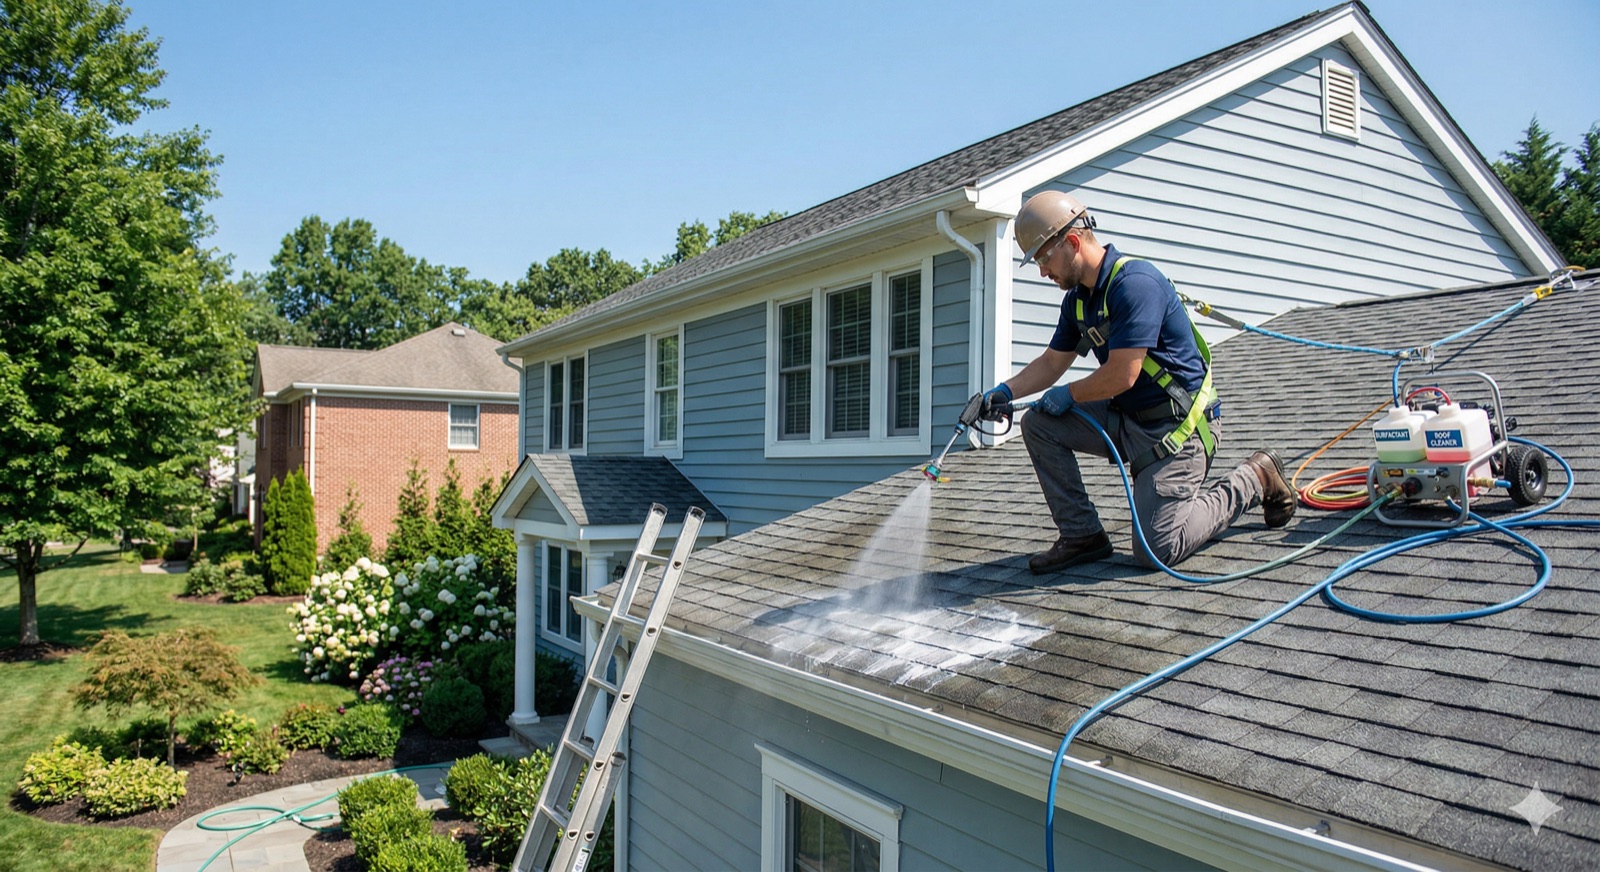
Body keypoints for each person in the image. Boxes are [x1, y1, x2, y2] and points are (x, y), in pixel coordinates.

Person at [984, 190, 1296, 574]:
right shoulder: (1079, 301)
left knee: (1156, 551)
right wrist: (1003, 392)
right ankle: (1083, 536)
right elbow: (1051, 363)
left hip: (1177, 428)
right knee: (1040, 424)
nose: (1043, 272)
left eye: (1044, 258)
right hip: (1129, 417)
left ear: (1073, 242)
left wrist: (1069, 393)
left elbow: (1123, 373)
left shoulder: (1135, 284)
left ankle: (1255, 477)